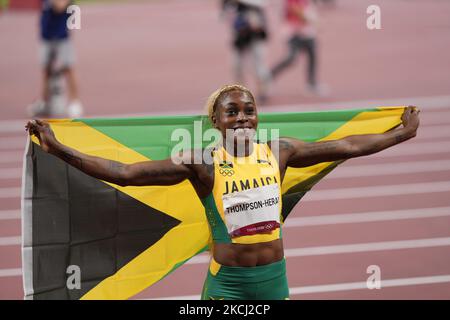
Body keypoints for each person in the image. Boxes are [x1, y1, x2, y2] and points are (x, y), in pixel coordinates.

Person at [26, 84, 420, 300]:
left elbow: (349, 147)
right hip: (227, 287)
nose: (243, 117)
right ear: (216, 121)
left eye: (248, 109)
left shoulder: (279, 151)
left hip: (273, 280)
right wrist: (58, 147)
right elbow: (126, 172)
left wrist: (401, 133)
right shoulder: (202, 164)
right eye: (232, 111)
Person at [28, 0, 83, 118]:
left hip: (61, 35)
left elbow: (60, 6)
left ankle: (75, 102)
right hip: (46, 34)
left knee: (68, 68)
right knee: (46, 70)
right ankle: (44, 101)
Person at [271, 0, 327, 96]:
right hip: (293, 32)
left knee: (312, 55)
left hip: (306, 31)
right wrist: (310, 18)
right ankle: (269, 76)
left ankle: (312, 83)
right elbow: (294, 9)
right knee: (291, 57)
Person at [221, 0, 272, 102]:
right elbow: (223, 15)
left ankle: (263, 91)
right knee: (236, 65)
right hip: (240, 35)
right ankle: (240, 93)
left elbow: (262, 4)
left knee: (258, 65)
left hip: (256, 35)